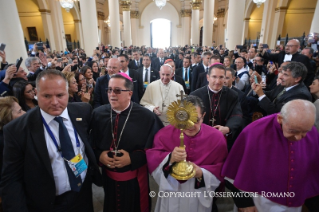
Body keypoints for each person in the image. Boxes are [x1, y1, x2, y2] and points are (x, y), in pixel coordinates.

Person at [1, 69, 102, 211]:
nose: (54, 102)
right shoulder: (17, 130)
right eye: (47, 96)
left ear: (68, 92)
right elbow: (11, 179)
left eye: (60, 95)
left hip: (83, 193)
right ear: (36, 93)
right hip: (48, 203)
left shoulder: (83, 111)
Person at [222, 99, 319, 212]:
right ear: (280, 119)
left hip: (294, 203)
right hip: (260, 202)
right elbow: (233, 172)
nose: (298, 137)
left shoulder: (312, 133)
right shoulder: (254, 132)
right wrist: (244, 202)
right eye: (293, 131)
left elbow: (313, 172)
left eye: (304, 132)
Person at [90, 73, 163, 212]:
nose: (112, 94)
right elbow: (90, 142)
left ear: (129, 93)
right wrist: (99, 155)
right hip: (108, 178)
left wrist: (133, 158)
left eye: (117, 90)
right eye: (109, 90)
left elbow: (157, 148)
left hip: (135, 180)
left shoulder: (146, 117)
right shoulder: (98, 114)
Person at [146, 95, 228, 212]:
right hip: (171, 191)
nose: (189, 125)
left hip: (199, 194)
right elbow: (153, 158)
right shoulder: (163, 134)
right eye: (184, 119)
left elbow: (222, 167)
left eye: (195, 120)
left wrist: (201, 173)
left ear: (203, 116)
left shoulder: (216, 138)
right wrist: (170, 158)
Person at [190, 64, 243, 150]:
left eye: (221, 77)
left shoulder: (232, 95)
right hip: (199, 139)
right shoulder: (195, 95)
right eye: (214, 77)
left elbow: (237, 115)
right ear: (208, 77)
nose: (217, 81)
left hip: (222, 139)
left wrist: (227, 128)